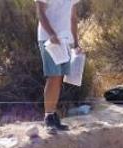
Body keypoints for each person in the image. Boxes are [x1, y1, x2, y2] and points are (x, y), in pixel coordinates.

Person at [36, 0, 82, 133]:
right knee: (53, 76)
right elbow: (41, 13)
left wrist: (76, 43)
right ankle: (48, 116)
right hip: (48, 39)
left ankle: (53, 115)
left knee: (59, 77)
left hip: (65, 39)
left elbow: (73, 18)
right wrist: (51, 34)